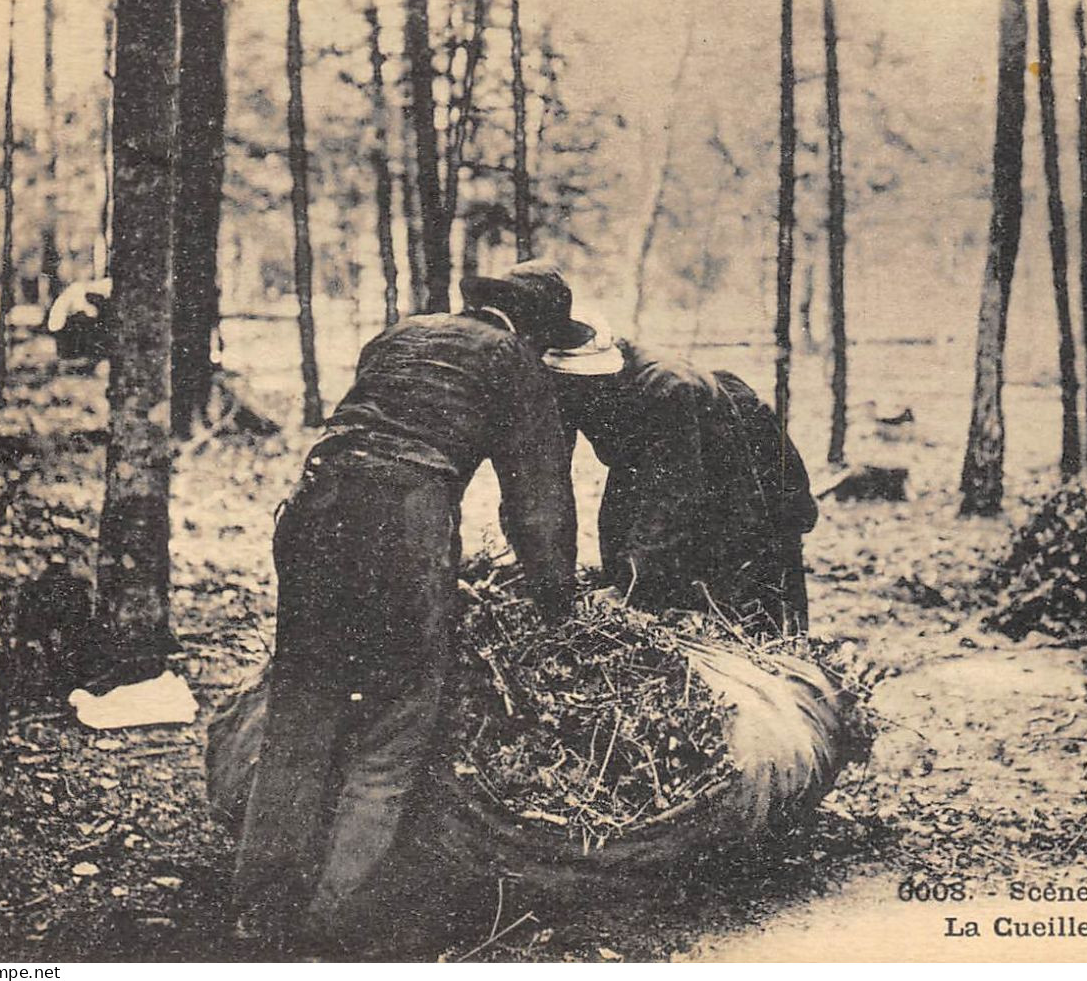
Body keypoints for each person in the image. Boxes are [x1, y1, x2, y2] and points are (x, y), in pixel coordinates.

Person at [230, 265, 600, 950]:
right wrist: (557, 606)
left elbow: (362, 431)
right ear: (538, 330)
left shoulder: (401, 335)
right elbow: (539, 506)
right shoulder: (513, 361)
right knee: (391, 729)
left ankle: (260, 910)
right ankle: (334, 927)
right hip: (398, 523)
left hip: (313, 511)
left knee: (303, 708)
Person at [543, 304, 818, 633]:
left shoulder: (668, 387)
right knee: (627, 560)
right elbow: (547, 479)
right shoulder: (570, 383)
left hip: (741, 467)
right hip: (657, 466)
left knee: (748, 589)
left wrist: (631, 584)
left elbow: (673, 495)